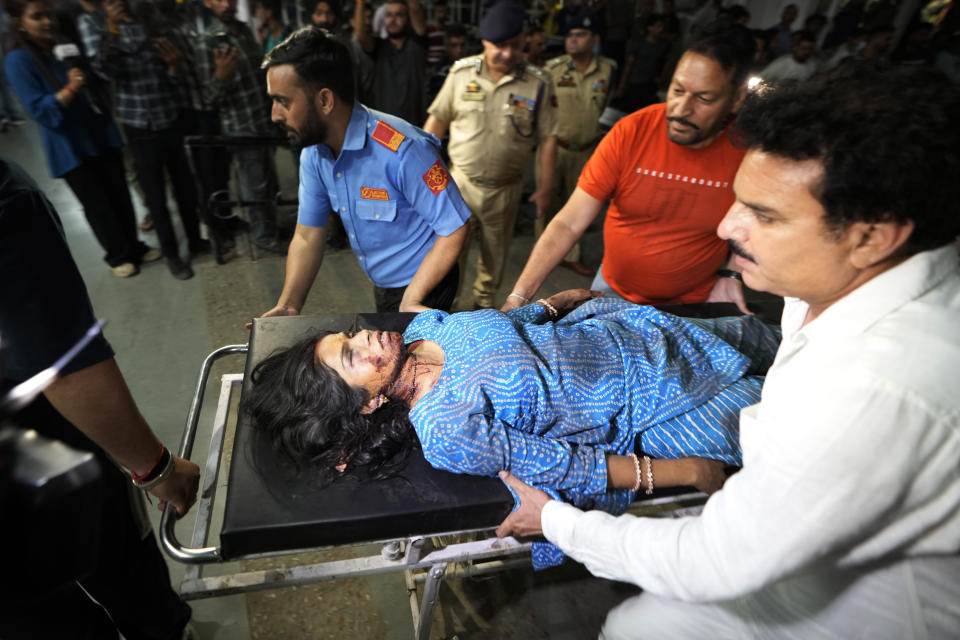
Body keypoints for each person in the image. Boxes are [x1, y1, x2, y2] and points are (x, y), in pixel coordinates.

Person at [497, 63, 960, 638]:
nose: (725, 228)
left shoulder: (879, 387)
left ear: (871, 236)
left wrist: (558, 522)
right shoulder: (823, 284)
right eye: (740, 201)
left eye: (764, 215)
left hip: (870, 608)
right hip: (798, 536)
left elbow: (713, 561)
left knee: (634, 629)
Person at [242, 292, 781, 567]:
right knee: (806, 403)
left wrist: (550, 305)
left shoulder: (426, 328)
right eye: (354, 357)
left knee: (784, 337)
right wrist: (680, 471)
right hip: (662, 409)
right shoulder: (447, 426)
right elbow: (568, 464)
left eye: (350, 335)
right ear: (365, 406)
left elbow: (504, 324)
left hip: (634, 331)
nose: (367, 338)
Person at [0, 157, 201, 639]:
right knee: (108, 570)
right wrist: (156, 469)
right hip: (36, 459)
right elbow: (65, 365)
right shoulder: (8, 201)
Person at [503, 23, 755, 314]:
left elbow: (756, 224)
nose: (682, 109)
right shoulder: (631, 132)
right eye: (677, 90)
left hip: (692, 305)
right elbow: (569, 223)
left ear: (736, 99)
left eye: (704, 99)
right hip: (610, 294)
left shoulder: (749, 152)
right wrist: (518, 298)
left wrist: (732, 273)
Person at [259, 27, 470, 315]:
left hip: (425, 284)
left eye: (283, 101)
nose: (274, 115)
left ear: (324, 100)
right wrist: (289, 304)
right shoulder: (315, 153)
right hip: (385, 283)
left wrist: (412, 299)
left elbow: (456, 227)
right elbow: (308, 234)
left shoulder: (404, 150)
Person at [4, 0, 160, 278]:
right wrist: (71, 88)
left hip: (98, 132)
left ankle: (134, 246)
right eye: (37, 17)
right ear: (20, 24)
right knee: (97, 203)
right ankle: (117, 255)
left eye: (48, 15)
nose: (47, 22)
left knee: (119, 194)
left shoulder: (62, 47)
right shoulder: (18, 60)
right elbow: (39, 109)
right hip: (70, 146)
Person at [423, 1, 558, 309]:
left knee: (494, 258)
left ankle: (483, 309)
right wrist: (427, 180)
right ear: (484, 42)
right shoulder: (461, 74)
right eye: (499, 45)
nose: (507, 53)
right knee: (450, 254)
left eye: (514, 45)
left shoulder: (538, 82)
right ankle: (447, 308)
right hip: (459, 184)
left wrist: (546, 188)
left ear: (523, 41)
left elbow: (549, 138)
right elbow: (435, 124)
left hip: (505, 188)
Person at [78, 0, 207, 280]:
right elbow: (102, 71)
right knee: (156, 195)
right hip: (138, 122)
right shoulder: (93, 23)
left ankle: (196, 240)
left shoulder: (147, 14)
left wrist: (173, 67)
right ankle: (172, 255)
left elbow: (169, 66)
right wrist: (111, 31)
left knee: (185, 186)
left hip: (169, 113)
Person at [195, 0, 284, 254]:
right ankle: (264, 236)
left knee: (268, 182)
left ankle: (270, 228)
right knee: (254, 184)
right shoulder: (206, 42)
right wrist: (221, 78)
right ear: (207, 4)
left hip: (263, 120)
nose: (226, 3)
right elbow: (208, 98)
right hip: (240, 126)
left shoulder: (245, 30)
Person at [542, 8, 616, 277]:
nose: (572, 39)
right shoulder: (552, 70)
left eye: (580, 35)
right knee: (548, 203)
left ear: (594, 38)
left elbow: (608, 107)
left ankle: (568, 255)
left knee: (579, 207)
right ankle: (544, 254)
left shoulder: (607, 70)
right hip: (555, 147)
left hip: (587, 150)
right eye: (570, 35)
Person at [353, 0, 428, 125]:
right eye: (389, 15)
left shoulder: (417, 45)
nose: (393, 19)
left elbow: (416, 9)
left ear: (408, 19)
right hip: (383, 126)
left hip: (414, 124)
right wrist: (360, 3)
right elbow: (360, 36)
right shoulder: (378, 47)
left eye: (399, 15)